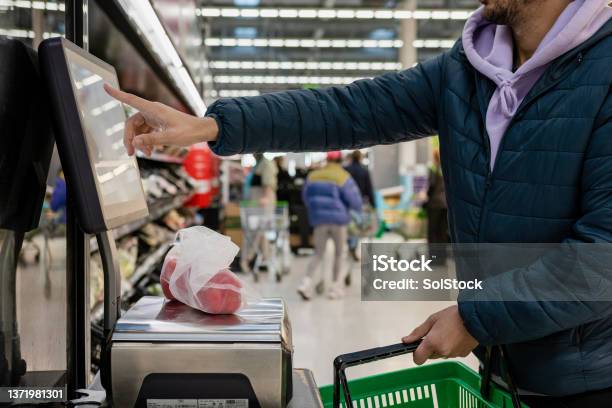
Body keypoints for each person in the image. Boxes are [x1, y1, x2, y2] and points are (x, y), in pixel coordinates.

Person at [105, 0, 612, 404]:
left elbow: (600, 260)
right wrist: (213, 125)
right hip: (502, 371)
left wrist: (477, 319)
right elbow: (347, 109)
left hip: (591, 376)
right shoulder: (468, 68)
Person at [298, 151, 362, 300]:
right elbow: (355, 201)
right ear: (340, 161)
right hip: (339, 221)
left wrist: (316, 211)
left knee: (318, 253)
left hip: (319, 220)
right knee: (339, 253)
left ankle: (305, 283)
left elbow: (305, 197)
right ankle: (335, 288)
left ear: (327, 160)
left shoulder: (313, 176)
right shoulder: (343, 177)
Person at [344, 150, 376, 261]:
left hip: (347, 203)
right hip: (360, 203)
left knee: (350, 227)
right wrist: (373, 204)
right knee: (357, 226)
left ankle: (351, 246)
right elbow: (369, 188)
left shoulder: (346, 170)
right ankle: (353, 247)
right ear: (360, 158)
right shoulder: (364, 171)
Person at [424, 149, 449, 265]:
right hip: (445, 205)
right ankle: (442, 259)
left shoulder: (434, 169)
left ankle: (433, 259)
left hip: (434, 204)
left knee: (433, 232)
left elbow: (431, 186)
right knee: (442, 232)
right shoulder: (447, 168)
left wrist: (426, 197)